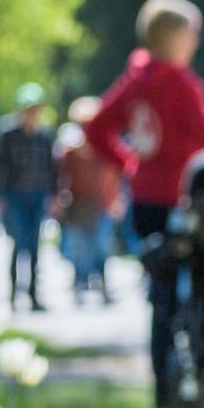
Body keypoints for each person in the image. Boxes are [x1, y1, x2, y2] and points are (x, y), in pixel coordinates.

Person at [83, 0, 204, 408]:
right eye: (191, 35)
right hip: (182, 198)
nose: (195, 44)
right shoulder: (180, 82)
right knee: (203, 282)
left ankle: (162, 387)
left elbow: (97, 129)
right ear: (174, 38)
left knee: (160, 294)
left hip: (145, 200)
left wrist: (130, 163)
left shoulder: (135, 80)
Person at [0, 82, 58, 311]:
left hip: (38, 194)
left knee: (33, 245)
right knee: (17, 242)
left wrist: (53, 195)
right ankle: (12, 295)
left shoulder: (45, 135)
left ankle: (32, 294)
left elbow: (52, 168)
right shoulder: (7, 134)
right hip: (14, 195)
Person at [55, 97, 121, 305]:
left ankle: (101, 282)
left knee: (102, 246)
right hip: (79, 204)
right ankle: (79, 282)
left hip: (101, 204)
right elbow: (63, 178)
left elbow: (112, 177)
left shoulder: (106, 150)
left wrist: (114, 200)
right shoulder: (71, 151)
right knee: (79, 247)